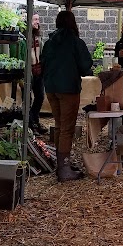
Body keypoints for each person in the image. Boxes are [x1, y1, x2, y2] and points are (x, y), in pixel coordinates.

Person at [41, 10, 93, 182]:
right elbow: (86, 66)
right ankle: (64, 169)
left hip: (51, 88)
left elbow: (43, 64)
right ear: (73, 23)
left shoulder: (49, 42)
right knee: (67, 128)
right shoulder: (75, 42)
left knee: (58, 125)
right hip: (68, 89)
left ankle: (61, 164)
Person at [28, 13, 47, 135]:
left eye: (38, 20)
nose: (37, 22)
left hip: (38, 72)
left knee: (40, 96)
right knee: (27, 99)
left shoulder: (38, 37)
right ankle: (30, 125)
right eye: (35, 19)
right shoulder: (24, 37)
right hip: (29, 72)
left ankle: (35, 121)